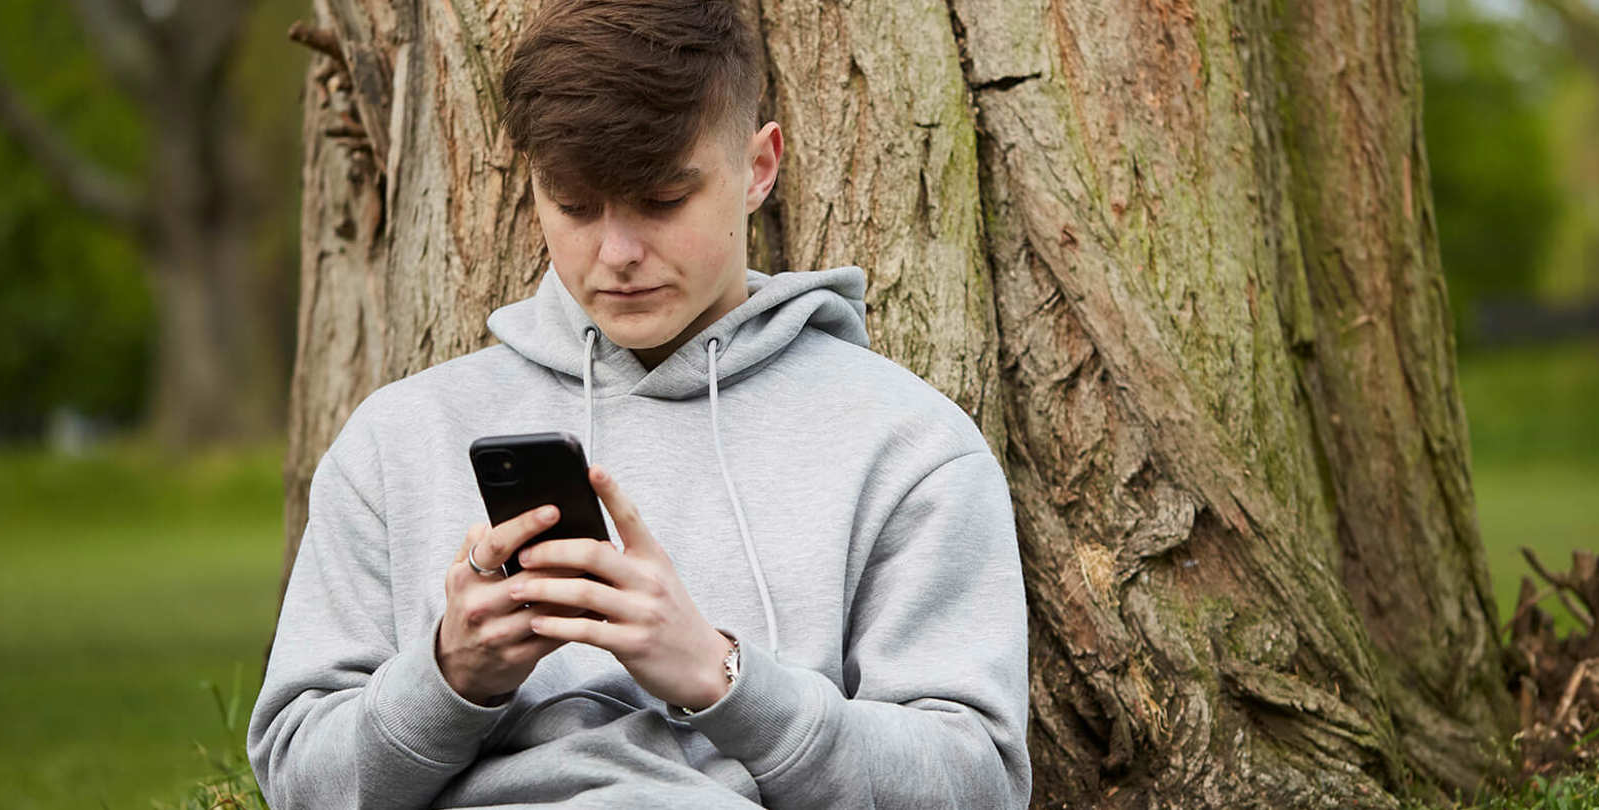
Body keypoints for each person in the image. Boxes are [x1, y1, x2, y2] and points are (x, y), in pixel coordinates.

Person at [245, 0, 1031, 806]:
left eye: (662, 201)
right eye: (576, 206)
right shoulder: (401, 438)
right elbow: (299, 781)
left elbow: (974, 785)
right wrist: (450, 676)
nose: (617, 255)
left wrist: (723, 677)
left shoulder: (909, 445)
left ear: (759, 168)